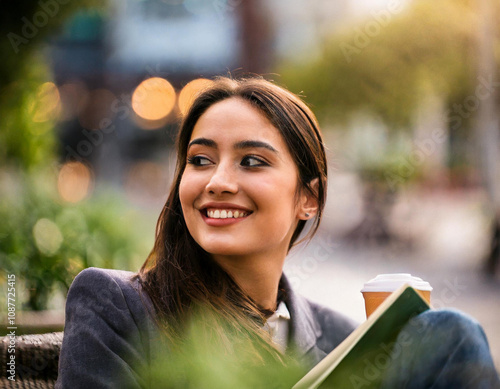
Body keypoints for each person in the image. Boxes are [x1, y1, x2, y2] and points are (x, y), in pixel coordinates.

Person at [56, 77, 500, 388]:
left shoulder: (339, 337)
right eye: (200, 159)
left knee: (445, 334)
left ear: (309, 198)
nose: (218, 181)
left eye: (252, 161)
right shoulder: (116, 305)